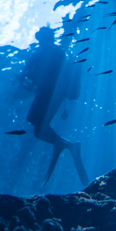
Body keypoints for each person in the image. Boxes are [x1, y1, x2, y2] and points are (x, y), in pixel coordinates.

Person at [22, 27, 89, 187]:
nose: (40, 41)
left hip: (50, 95)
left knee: (37, 126)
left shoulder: (49, 54)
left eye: (41, 38)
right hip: (52, 95)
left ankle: (66, 145)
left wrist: (29, 76)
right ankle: (67, 145)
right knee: (37, 128)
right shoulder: (57, 53)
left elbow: (37, 74)